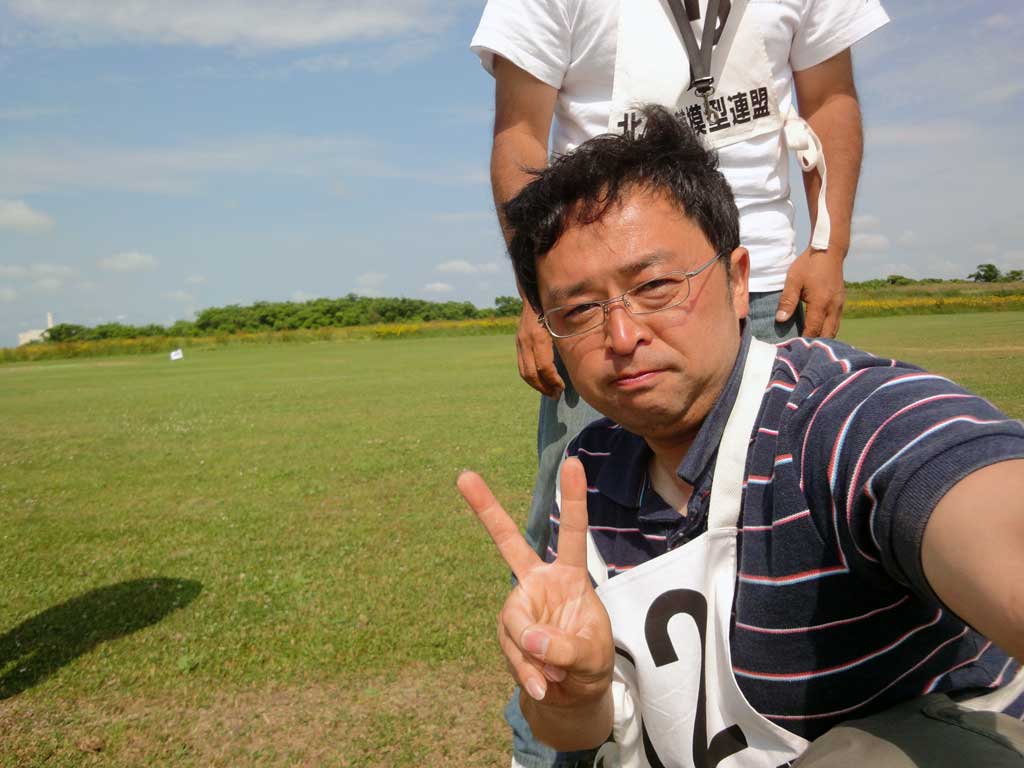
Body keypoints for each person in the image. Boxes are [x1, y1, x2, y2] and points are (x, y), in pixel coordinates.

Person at [458, 106, 1024, 767]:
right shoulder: (592, 470)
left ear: (736, 281)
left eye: (655, 286)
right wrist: (572, 692)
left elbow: (965, 492)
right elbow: (580, 731)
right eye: (580, 309)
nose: (622, 335)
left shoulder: (834, 421)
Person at [471, 3, 887, 763]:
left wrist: (828, 244)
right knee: (574, 550)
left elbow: (828, 94)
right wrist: (541, 296)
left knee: (788, 525)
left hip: (767, 279)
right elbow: (521, 132)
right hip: (596, 281)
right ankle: (554, 748)